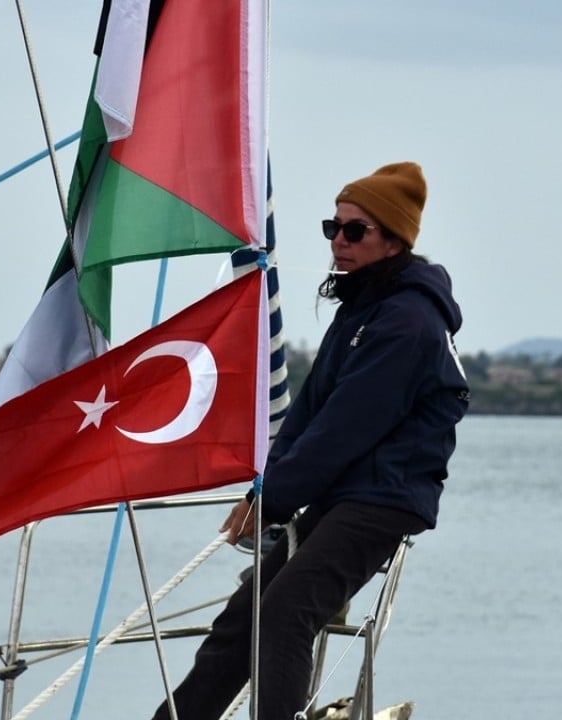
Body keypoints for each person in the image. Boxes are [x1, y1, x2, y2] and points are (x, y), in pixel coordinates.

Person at [150, 162, 469, 720]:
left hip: (382, 501)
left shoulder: (408, 323)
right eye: (333, 227)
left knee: (285, 613)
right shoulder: (363, 310)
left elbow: (345, 427)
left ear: (394, 241)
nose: (338, 243)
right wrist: (265, 488)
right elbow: (310, 412)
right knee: (243, 619)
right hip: (344, 495)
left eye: (355, 231)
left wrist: (272, 502)